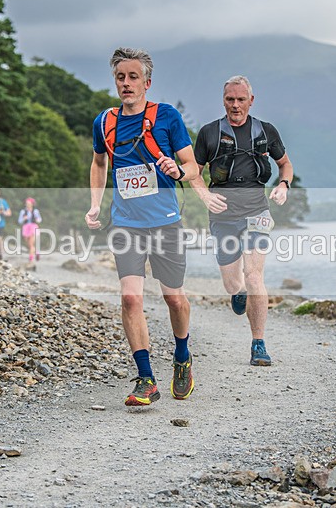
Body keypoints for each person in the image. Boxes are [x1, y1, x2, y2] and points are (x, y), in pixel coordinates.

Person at [86, 47, 199, 406]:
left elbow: (193, 166)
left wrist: (178, 171)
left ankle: (182, 355)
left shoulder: (167, 117)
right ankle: (146, 378)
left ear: (147, 82)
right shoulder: (104, 122)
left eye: (133, 77)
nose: (126, 83)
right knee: (131, 297)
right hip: (125, 223)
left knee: (173, 298)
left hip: (165, 222)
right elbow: (99, 164)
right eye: (121, 77)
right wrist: (94, 204)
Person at [190, 75, 293, 366]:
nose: (235, 105)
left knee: (253, 274)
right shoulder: (209, 133)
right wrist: (204, 197)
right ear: (223, 101)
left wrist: (283, 185)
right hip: (222, 215)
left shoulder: (266, 131)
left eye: (241, 99)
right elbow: (194, 171)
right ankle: (238, 294)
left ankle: (258, 343)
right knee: (233, 283)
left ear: (251, 100)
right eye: (230, 100)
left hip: (257, 212)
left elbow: (285, 164)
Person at [18, 197, 42, 262]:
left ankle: (31, 258)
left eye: (29, 203)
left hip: (33, 227)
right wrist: (24, 219)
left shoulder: (35, 211)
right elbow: (19, 221)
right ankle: (36, 252)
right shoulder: (23, 211)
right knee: (29, 244)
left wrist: (37, 219)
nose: (27, 205)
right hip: (26, 228)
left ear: (32, 204)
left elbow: (39, 219)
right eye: (27, 203)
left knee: (31, 243)